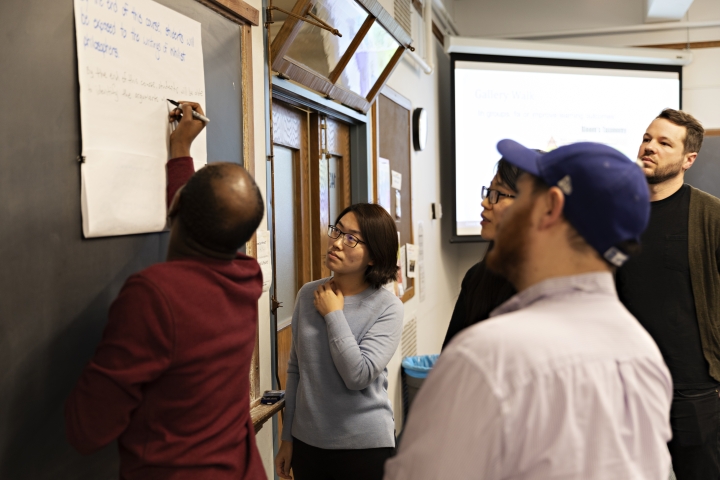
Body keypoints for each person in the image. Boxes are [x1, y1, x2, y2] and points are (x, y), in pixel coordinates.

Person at [385, 141, 673, 479]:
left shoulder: (488, 357)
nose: (493, 206)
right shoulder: (644, 355)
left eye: (516, 195)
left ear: (550, 207)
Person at [65, 102, 267, 479]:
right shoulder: (245, 278)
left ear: (175, 206)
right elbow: (196, 212)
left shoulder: (155, 296)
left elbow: (89, 430)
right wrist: (180, 152)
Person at [616, 108, 720, 479]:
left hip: (693, 390)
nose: (650, 148)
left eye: (664, 143)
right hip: (626, 387)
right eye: (647, 138)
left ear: (688, 159)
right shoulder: (616, 213)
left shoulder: (710, 216)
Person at [274, 204, 404, 480]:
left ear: (373, 256)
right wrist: (288, 439)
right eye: (337, 231)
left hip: (365, 447)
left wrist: (334, 314)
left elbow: (358, 375)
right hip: (308, 444)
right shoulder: (308, 294)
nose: (336, 243)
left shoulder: (388, 306)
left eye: (351, 238)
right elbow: (296, 370)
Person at [442, 158, 518, 349]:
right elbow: (451, 356)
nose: (485, 203)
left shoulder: (550, 285)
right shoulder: (476, 277)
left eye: (497, 194)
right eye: (488, 192)